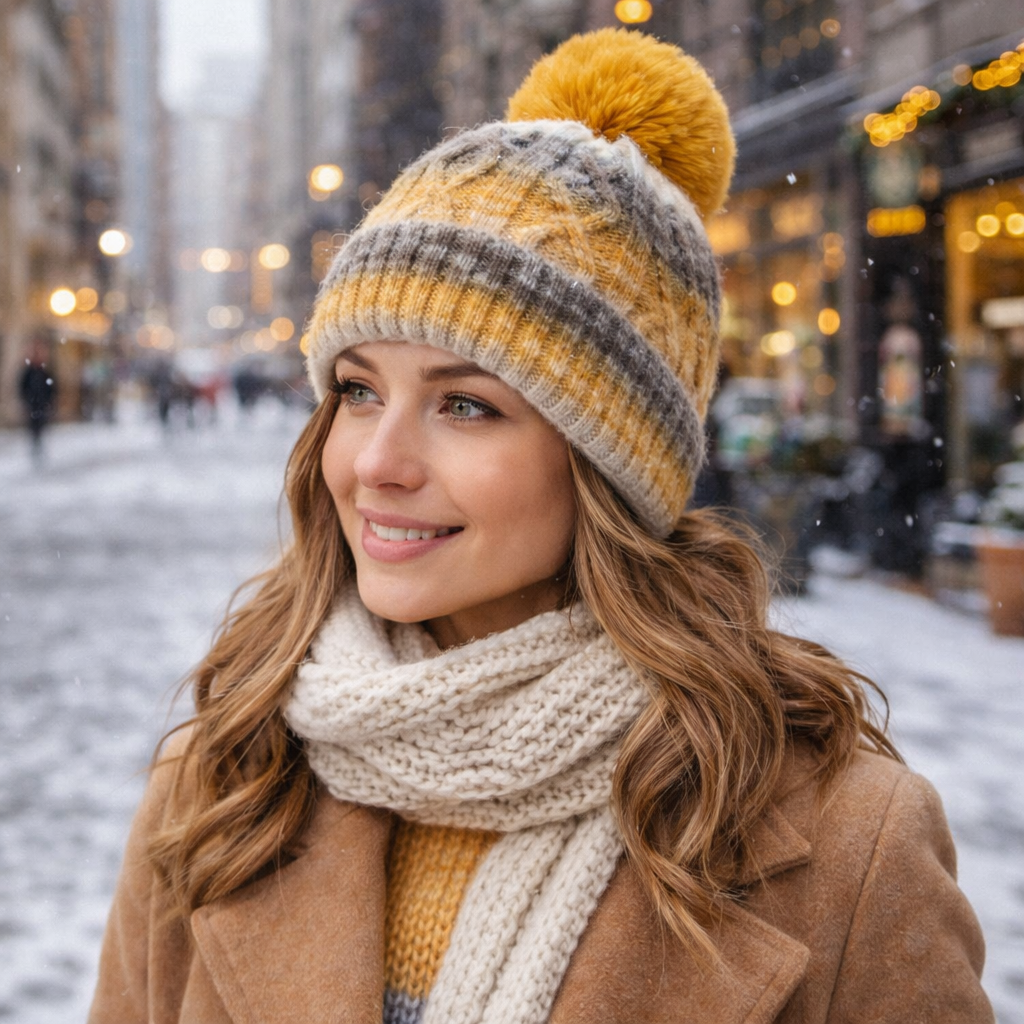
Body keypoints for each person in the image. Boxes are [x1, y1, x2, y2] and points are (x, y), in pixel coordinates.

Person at [88, 29, 992, 1024]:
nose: (374, 463)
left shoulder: (846, 841)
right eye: (355, 390)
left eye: (465, 404)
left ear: (607, 462)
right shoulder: (223, 777)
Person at [19, 338, 57, 462]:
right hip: (32, 405)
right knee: (33, 428)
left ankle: (39, 449)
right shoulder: (29, 372)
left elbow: (52, 388)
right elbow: (22, 387)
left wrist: (49, 402)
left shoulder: (44, 372)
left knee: (41, 428)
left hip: (42, 405)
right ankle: (35, 449)